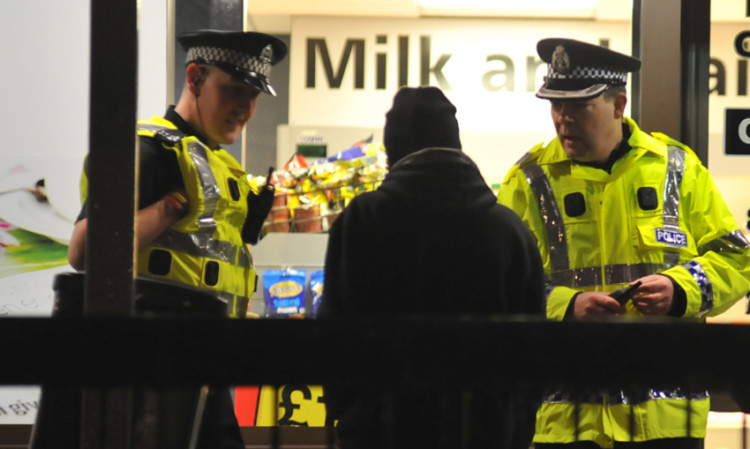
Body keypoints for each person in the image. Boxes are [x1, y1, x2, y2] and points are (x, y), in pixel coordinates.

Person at [497, 37, 750, 448]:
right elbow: (500, 286)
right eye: (555, 105)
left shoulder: (677, 168)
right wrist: (567, 306)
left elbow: (738, 260)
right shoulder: (528, 181)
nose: (563, 119)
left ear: (618, 105)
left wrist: (679, 290)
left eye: (579, 106)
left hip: (666, 421)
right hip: (566, 423)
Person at [67, 29, 287, 449]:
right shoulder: (150, 150)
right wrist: (167, 208)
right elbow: (83, 253)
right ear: (194, 78)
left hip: (201, 366)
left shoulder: (217, 164)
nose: (245, 107)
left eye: (254, 96)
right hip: (148, 372)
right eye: (234, 90)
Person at [318, 86, 547, 449]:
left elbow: (333, 332)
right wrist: (514, 425)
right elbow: (534, 346)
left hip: (381, 428)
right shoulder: (509, 230)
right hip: (485, 430)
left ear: (392, 150)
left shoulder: (360, 221)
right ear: (455, 146)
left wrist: (349, 415)